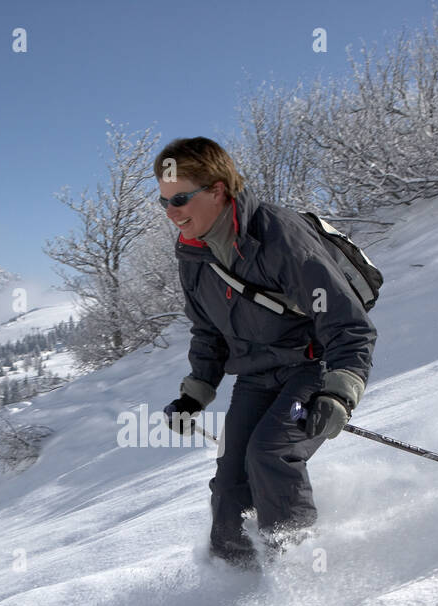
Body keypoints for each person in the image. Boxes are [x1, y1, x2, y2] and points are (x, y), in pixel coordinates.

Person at [156, 137, 377, 570]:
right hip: (257, 377)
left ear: (217, 190)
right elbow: (208, 331)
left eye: (180, 199)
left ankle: (297, 572)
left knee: (271, 453)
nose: (172, 213)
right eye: (163, 202)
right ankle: (234, 577)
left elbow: (347, 322)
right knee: (230, 478)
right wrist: (194, 394)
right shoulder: (193, 255)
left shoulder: (278, 235)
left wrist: (339, 392)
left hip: (313, 368)